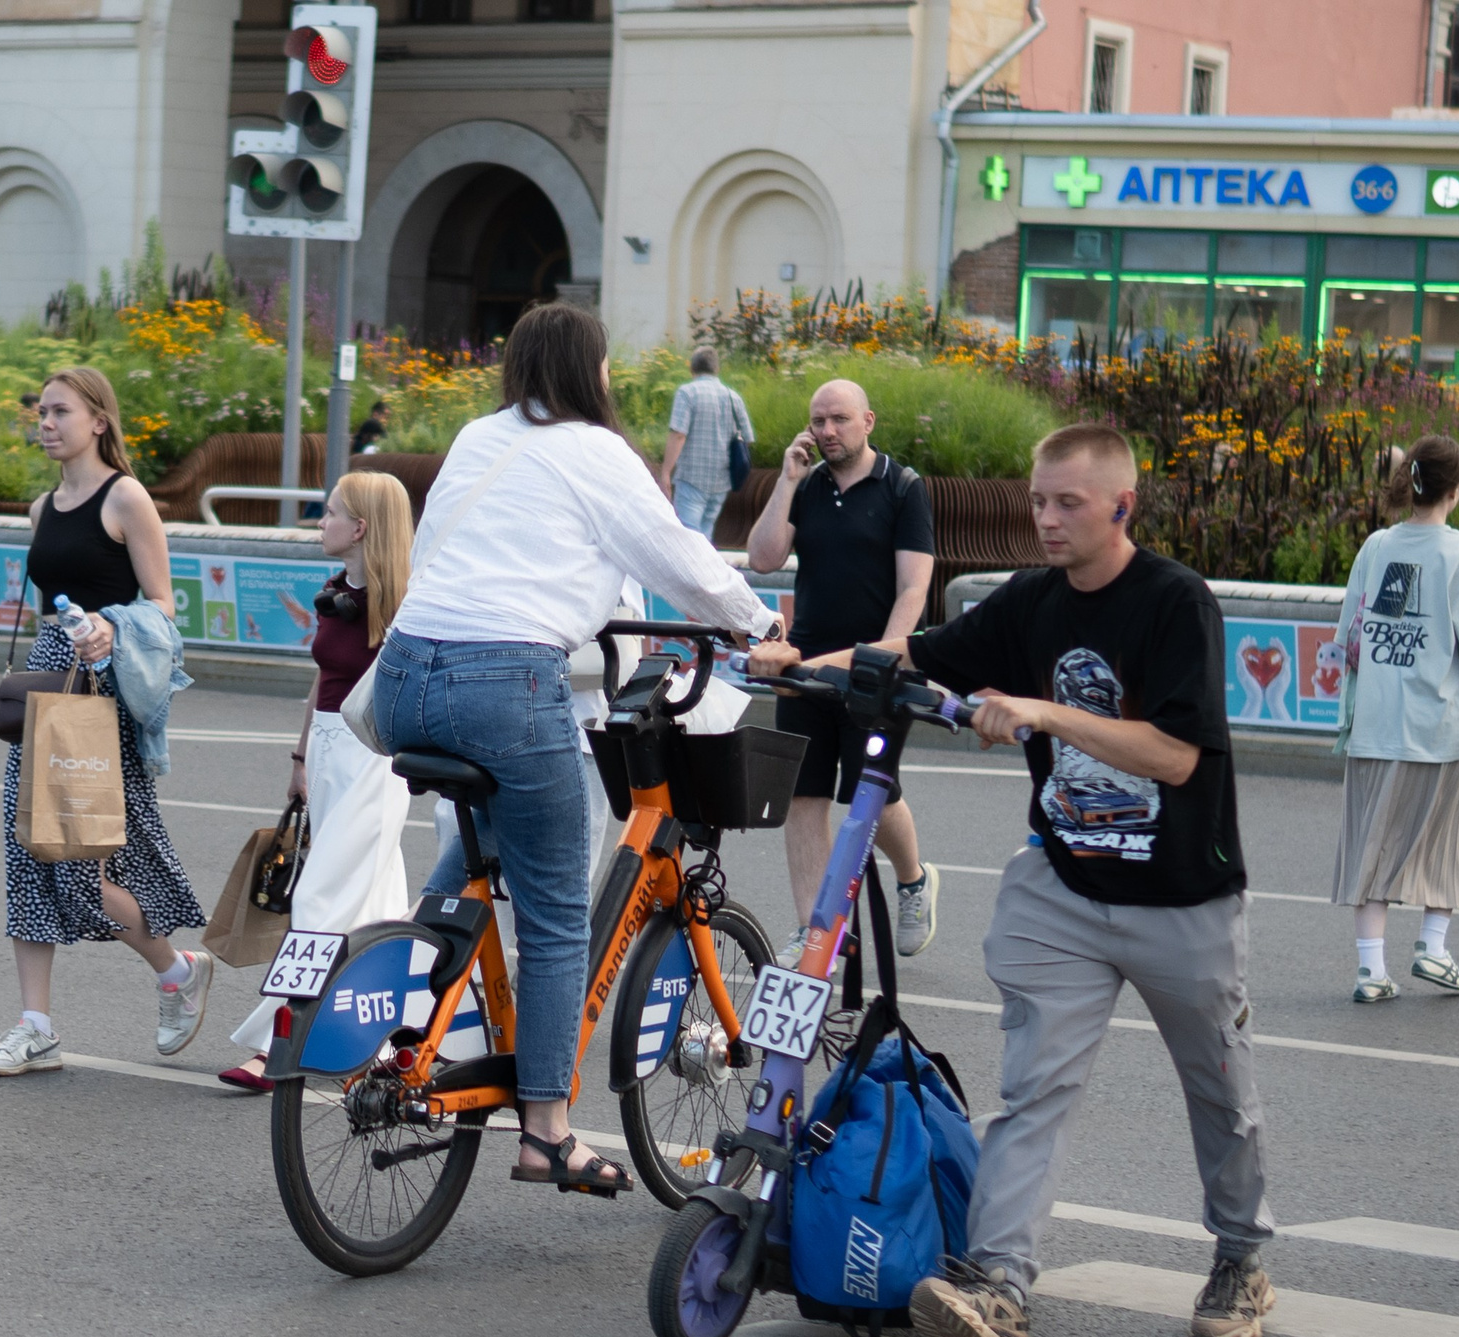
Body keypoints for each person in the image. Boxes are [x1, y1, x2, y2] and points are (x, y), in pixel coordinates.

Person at [749, 423, 1277, 1337]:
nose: (1044, 518)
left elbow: (1176, 752)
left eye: (1066, 502)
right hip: (1065, 889)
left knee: (1221, 1093)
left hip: (1183, 898)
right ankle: (998, 1287)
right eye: (1038, 499)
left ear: (1123, 506)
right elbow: (909, 656)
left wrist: (1041, 711)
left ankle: (1240, 1257)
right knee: (1035, 1089)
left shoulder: (1174, 602)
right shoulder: (1029, 604)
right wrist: (805, 668)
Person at [372, 301, 773, 1196]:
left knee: (476, 855)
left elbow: (449, 554)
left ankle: (416, 1006)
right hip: (505, 685)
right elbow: (676, 555)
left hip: (404, 678)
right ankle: (547, 1132)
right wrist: (760, 623)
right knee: (556, 918)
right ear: (593, 373)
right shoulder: (594, 449)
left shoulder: (481, 437)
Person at [0, 368, 210, 1075]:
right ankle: (36, 1025)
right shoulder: (43, 507)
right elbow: (47, 604)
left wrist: (109, 625)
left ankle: (176, 971)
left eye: (60, 411)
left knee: (83, 862)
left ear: (98, 420)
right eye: (40, 412)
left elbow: (165, 605)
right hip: (50, 682)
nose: (45, 422)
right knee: (29, 850)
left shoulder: (126, 497)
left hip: (101, 690)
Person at [219, 470, 417, 1091]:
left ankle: (280, 1037)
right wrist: (301, 759)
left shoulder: (406, 603)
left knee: (320, 898)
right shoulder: (336, 590)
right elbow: (320, 682)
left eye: (330, 512)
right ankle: (391, 1036)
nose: (320, 521)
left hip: (374, 759)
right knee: (377, 902)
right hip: (331, 755)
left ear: (359, 528)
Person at [745, 377, 940, 953]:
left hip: (875, 668)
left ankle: (914, 881)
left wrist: (881, 661)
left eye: (839, 419)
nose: (827, 431)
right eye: (818, 421)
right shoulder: (807, 486)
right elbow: (762, 558)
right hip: (804, 668)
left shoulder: (903, 487)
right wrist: (786, 479)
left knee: (869, 795)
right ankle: (818, 931)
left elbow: (914, 588)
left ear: (868, 421)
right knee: (803, 796)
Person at [1333, 435, 1459, 1001]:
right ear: (1456, 490)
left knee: (1373, 841)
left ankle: (1371, 970)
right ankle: (1432, 947)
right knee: (1452, 837)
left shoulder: (1376, 547)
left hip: (1375, 724)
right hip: (1439, 727)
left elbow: (1351, 639)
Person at [661, 346, 755, 541]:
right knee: (706, 535)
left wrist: (665, 472)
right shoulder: (733, 397)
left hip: (691, 479)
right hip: (720, 481)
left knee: (687, 539)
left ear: (692, 368)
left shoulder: (687, 393)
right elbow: (747, 438)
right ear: (716, 369)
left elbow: (678, 435)